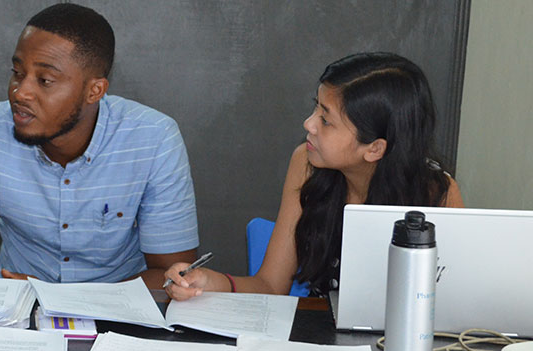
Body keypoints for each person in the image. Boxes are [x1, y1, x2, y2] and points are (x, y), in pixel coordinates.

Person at [0, 3, 199, 287]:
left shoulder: (154, 140)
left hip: (115, 318)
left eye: (45, 80)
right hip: (13, 308)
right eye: (17, 72)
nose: (20, 92)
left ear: (94, 91)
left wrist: (64, 303)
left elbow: (172, 276)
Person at [165, 52, 464, 298]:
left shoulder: (437, 193)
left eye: (326, 119)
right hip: (319, 348)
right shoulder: (306, 165)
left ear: (374, 148)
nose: (309, 124)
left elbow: (451, 303)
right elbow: (270, 286)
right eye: (315, 109)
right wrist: (210, 283)